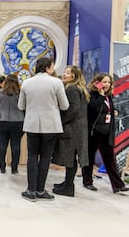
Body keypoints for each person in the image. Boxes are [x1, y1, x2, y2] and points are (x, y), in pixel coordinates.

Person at [18, 57, 69, 202]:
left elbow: (21, 106)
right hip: (51, 125)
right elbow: (64, 105)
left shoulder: (27, 83)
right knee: (46, 157)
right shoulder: (57, 82)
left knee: (32, 155)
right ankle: (41, 190)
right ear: (48, 67)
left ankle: (31, 190)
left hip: (32, 124)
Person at [82, 73, 129, 193]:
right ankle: (87, 181)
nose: (107, 84)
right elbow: (94, 108)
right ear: (97, 83)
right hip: (94, 131)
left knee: (110, 158)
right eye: (104, 82)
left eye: (108, 82)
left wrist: (114, 111)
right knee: (90, 157)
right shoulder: (93, 95)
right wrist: (101, 94)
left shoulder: (109, 96)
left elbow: (108, 110)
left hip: (107, 131)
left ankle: (118, 184)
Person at [51, 65, 89, 197]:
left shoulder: (72, 89)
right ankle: (68, 182)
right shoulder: (78, 88)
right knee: (71, 157)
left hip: (73, 128)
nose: (64, 74)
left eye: (68, 73)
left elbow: (74, 109)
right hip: (78, 128)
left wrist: (62, 121)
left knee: (70, 157)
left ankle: (68, 187)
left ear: (74, 76)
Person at [0, 74, 24, 174]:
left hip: (0, 121)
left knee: (2, 144)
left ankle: (2, 167)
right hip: (17, 121)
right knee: (16, 144)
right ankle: (14, 168)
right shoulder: (20, 94)